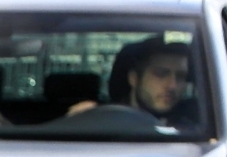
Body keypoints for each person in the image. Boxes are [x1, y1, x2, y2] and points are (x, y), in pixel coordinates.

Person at [69, 38, 198, 128]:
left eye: (181, 77)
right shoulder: (98, 119)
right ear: (134, 79)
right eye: (161, 74)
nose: (172, 85)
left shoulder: (199, 125)